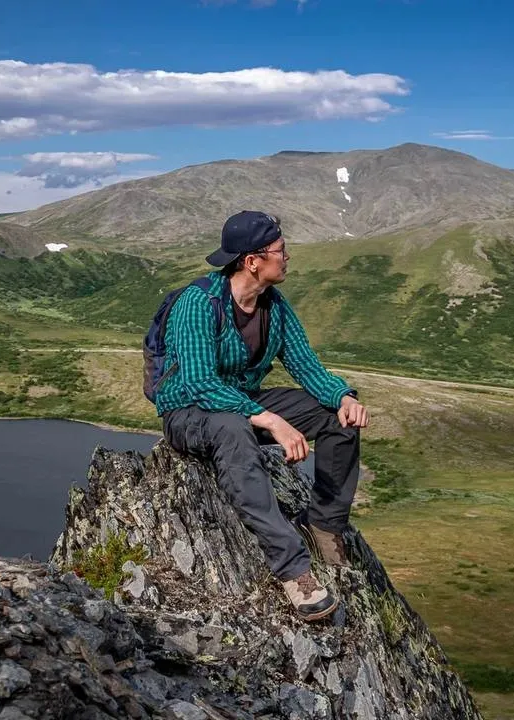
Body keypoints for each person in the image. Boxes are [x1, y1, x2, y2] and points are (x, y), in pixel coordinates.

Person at [151, 210, 369, 622]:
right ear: (253, 261)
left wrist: (342, 396)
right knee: (233, 427)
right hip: (189, 412)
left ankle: (324, 525)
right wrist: (268, 419)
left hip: (241, 402)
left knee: (336, 419)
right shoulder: (197, 304)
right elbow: (200, 383)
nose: (287, 258)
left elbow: (306, 366)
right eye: (280, 251)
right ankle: (293, 570)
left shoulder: (274, 306)